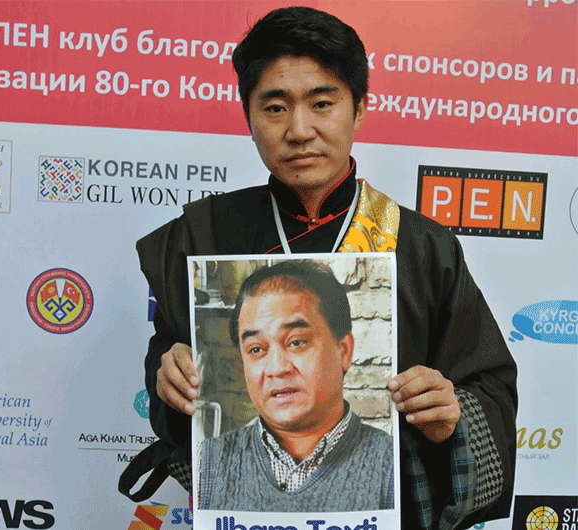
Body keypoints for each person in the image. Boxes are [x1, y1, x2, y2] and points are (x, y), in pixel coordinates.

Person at [120, 6, 517, 529]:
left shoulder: (423, 248)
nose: (299, 130)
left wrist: (451, 415)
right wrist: (170, 379)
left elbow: (490, 388)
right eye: (275, 108)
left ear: (359, 109)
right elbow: (172, 393)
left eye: (322, 104)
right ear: (248, 117)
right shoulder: (200, 237)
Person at [198, 260, 394, 511]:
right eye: (256, 349)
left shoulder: (392, 463)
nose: (277, 368)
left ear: (344, 351)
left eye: (296, 342)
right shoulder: (207, 462)